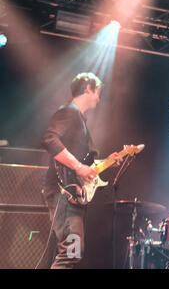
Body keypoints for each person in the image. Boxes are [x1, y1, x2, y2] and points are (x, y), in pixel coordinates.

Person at [41, 72, 121, 269]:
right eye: (97, 92)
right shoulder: (69, 112)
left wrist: (109, 160)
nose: (98, 98)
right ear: (88, 88)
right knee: (71, 251)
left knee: (73, 252)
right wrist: (78, 166)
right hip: (63, 193)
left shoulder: (80, 120)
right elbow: (49, 139)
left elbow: (86, 162)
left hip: (72, 194)